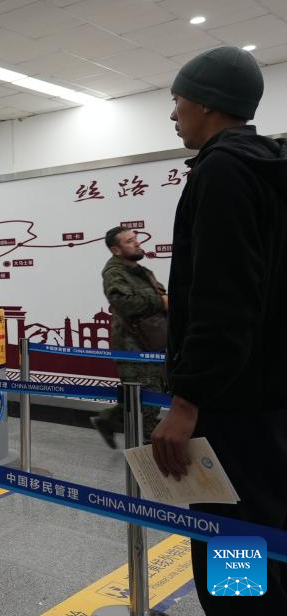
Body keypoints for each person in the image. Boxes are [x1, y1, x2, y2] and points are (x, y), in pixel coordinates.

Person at [151, 46, 287, 614]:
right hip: (270, 401)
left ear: (206, 103)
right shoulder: (268, 171)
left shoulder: (223, 172)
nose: (174, 112)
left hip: (230, 409)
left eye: (178, 99)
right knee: (266, 537)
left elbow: (222, 302)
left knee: (232, 551)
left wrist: (187, 402)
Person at [91, 226, 168, 447]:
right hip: (131, 346)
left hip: (150, 342)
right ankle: (147, 448)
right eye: (129, 241)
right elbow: (125, 303)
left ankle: (107, 420)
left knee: (142, 394)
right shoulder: (113, 273)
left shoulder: (141, 271)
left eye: (135, 238)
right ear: (116, 250)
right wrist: (160, 301)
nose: (136, 243)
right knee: (149, 396)